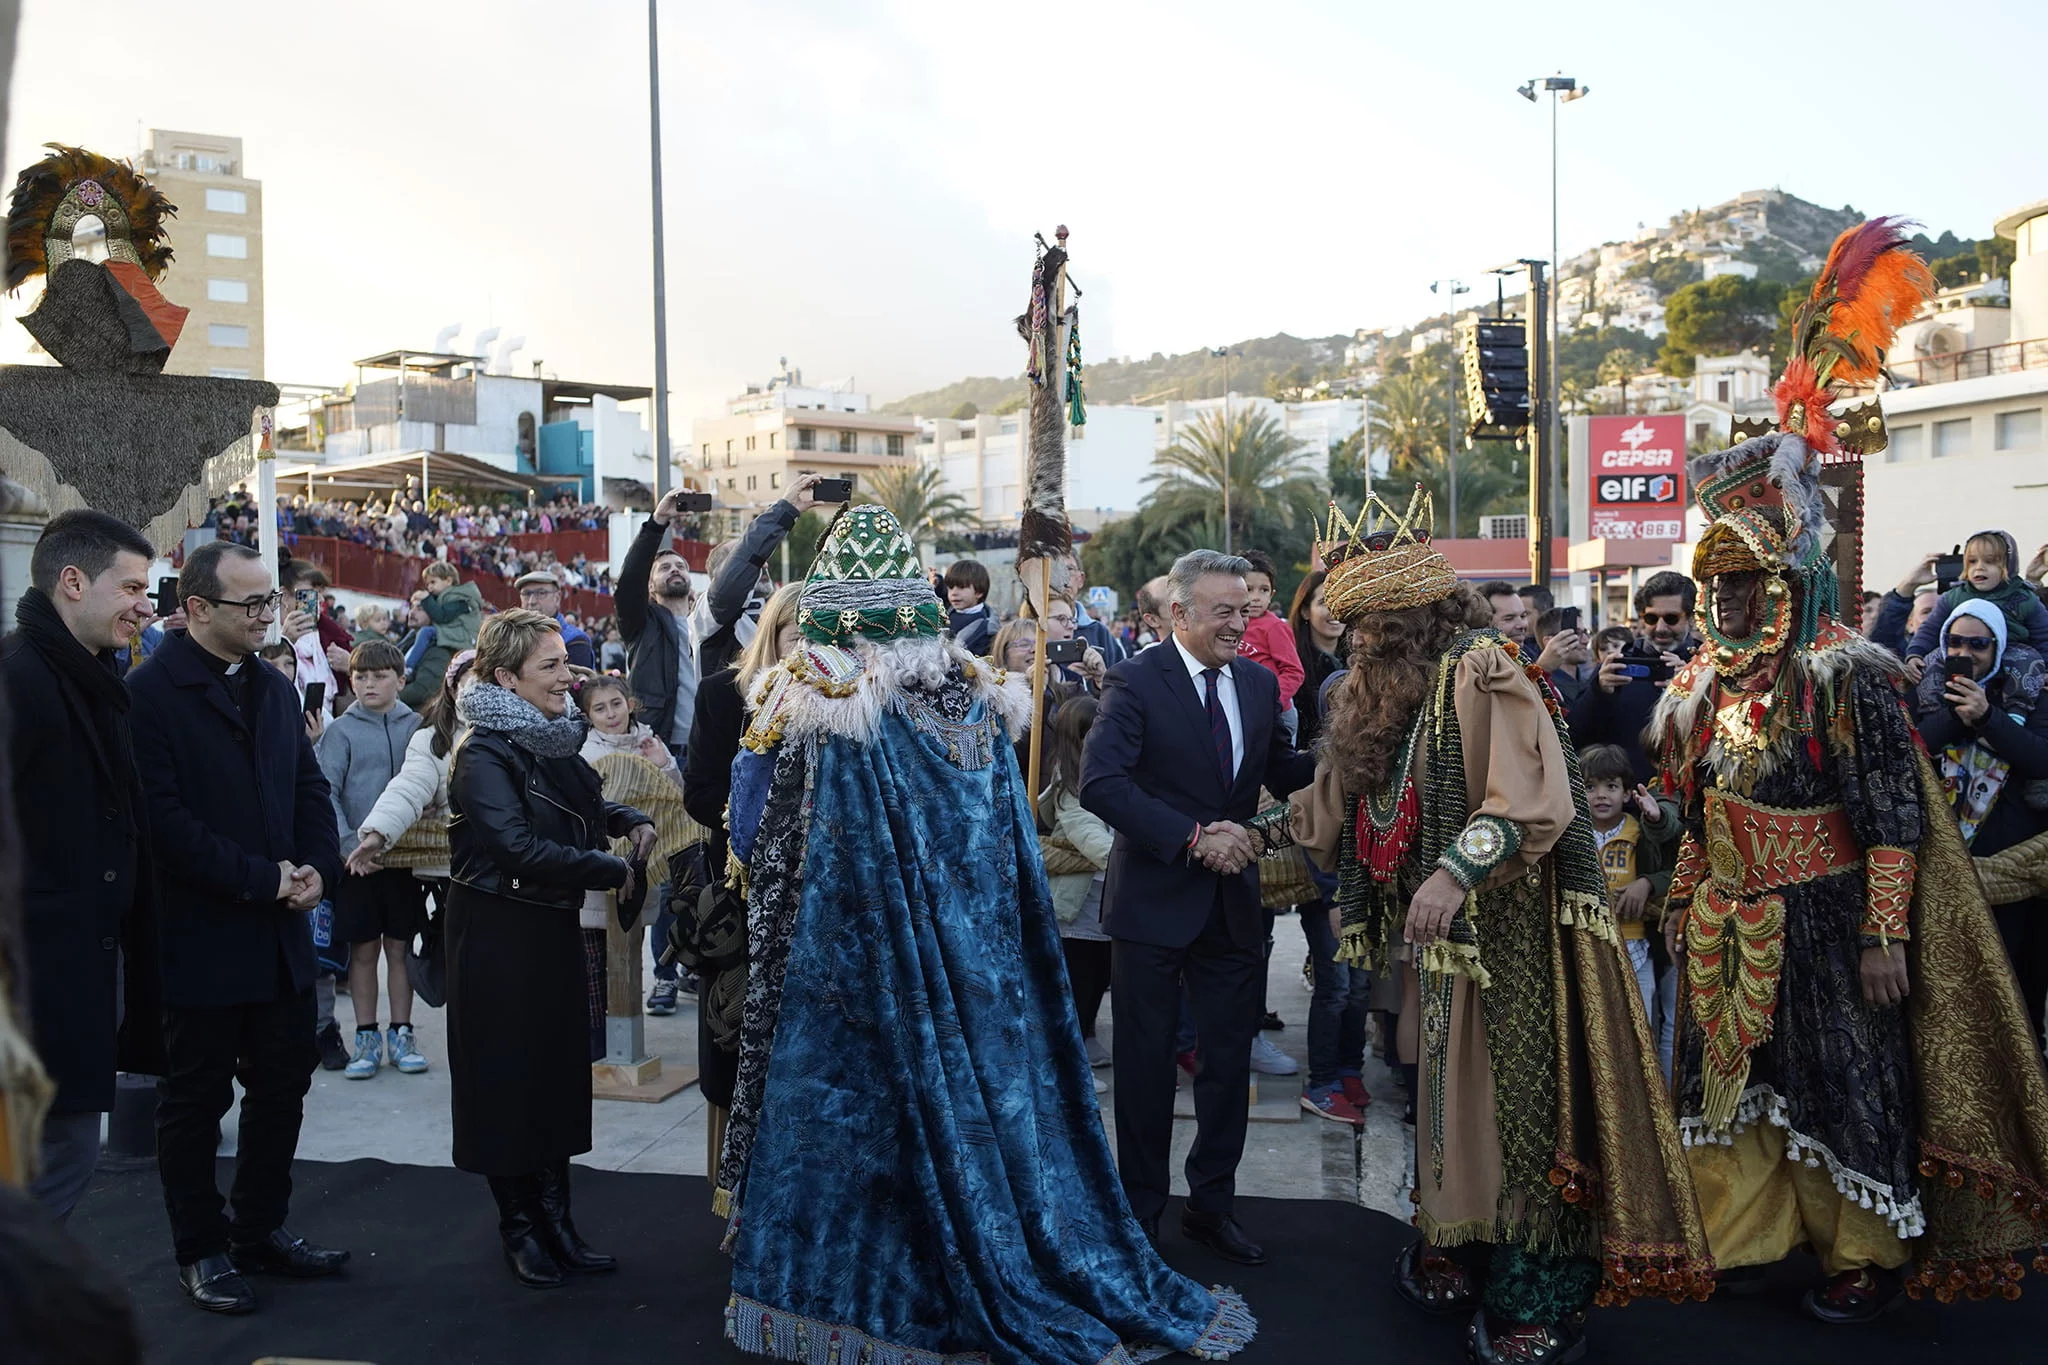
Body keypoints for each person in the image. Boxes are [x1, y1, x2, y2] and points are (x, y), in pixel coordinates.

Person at [717, 506, 1252, 1363]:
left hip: (872, 974)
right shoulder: (971, 698)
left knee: (882, 1130)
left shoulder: (837, 706)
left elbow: (779, 848)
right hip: (988, 975)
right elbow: (1006, 853)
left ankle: (885, 1283)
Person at [1250, 488, 1711, 1362]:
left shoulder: (1481, 666)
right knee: (1443, 1094)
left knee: (1522, 1102)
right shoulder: (1381, 697)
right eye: (1350, 628)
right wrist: (1250, 832)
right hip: (1444, 946)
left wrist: (1454, 870)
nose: (1357, 642)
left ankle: (1539, 1280)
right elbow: (1334, 803)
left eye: (1374, 624)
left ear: (1418, 613)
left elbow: (1529, 797)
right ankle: (1460, 1234)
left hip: (1521, 934)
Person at [1651, 423, 2048, 1322]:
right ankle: (1745, 1234)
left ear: (1782, 584)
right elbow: (1699, 807)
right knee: (1734, 1081)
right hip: (1728, 915)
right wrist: (1684, 894)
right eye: (1716, 585)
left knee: (1843, 1085)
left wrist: (1883, 932)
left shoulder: (1844, 677)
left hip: (1830, 920)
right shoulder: (1701, 688)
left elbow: (1890, 816)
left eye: (1744, 582)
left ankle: (1861, 1253)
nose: (1727, 600)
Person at [126, 540, 349, 1314]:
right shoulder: (149, 694)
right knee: (196, 1099)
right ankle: (201, 1246)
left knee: (284, 1081)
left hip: (283, 929)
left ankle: (259, 1226)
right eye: (250, 604)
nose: (268, 616)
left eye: (271, 602)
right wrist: (264, 879)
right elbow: (162, 822)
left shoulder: (273, 687)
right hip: (202, 935)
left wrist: (320, 864)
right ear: (194, 609)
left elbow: (306, 788)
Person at [1079, 548, 1315, 1266]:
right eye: (1224, 611)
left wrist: (1352, 759)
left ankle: (1212, 1207)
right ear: (1179, 613)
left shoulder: (1254, 684)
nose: (1240, 623)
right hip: (1153, 905)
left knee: (1225, 1070)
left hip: (1233, 909)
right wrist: (1191, 837)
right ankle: (1140, 1218)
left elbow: (1282, 770)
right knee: (1147, 1072)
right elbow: (1102, 784)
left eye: (1246, 609)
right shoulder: (1135, 680)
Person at [446, 610, 657, 1289]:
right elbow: (514, 845)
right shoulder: (482, 752)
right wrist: (608, 868)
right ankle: (520, 1227)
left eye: (566, 662)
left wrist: (630, 820)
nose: (569, 676)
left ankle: (558, 1221)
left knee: (556, 1076)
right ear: (506, 676)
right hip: (498, 931)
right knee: (507, 1081)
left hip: (547, 924)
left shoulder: (554, 739)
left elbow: (582, 809)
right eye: (551, 666)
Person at [4, 511, 164, 1221]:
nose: (145, 604)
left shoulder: (93, 679)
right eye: (131, 585)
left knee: (63, 1163)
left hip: (71, 984)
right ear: (73, 582)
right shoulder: (19, 678)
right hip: (28, 997)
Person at [681, 581, 802, 1132]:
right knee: (736, 1035)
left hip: (818, 898)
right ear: (773, 634)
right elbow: (699, 792)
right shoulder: (721, 694)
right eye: (800, 634)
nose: (811, 650)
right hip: (741, 894)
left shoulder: (853, 702)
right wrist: (763, 816)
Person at [1910, 600, 2048, 1044]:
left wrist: (1989, 716)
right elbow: (1908, 751)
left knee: (2019, 998)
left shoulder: (2031, 690)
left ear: (1999, 647)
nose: (1966, 651)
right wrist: (1955, 715)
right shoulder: (1926, 688)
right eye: (1954, 641)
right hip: (1946, 868)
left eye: (1979, 644)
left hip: (2014, 874)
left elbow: (2040, 759)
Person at [318, 639, 428, 1080]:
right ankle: (366, 1035)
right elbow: (326, 794)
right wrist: (349, 847)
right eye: (361, 676)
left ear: (401, 680)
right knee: (363, 951)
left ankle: (402, 1032)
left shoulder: (418, 727)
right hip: (357, 864)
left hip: (404, 861)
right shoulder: (340, 731)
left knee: (399, 949)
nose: (369, 683)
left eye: (380, 676)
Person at [575, 672, 690, 1050]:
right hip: (597, 869)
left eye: (616, 704)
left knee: (629, 949)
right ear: (587, 715)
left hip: (644, 864)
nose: (610, 714)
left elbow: (678, 800)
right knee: (594, 959)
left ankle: (626, 1037)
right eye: (599, 708)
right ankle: (595, 1040)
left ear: (630, 704)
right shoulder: (583, 751)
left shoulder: (650, 742)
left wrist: (662, 765)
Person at [1579, 743, 1680, 1035]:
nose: (1600, 795)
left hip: (1635, 942)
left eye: (1610, 786)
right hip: (1589, 942)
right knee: (1597, 1024)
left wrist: (1646, 884)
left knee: (1641, 1022)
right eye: (1590, 787)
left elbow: (1672, 867)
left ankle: (1645, 1080)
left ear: (1626, 794)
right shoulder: (1575, 836)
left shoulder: (1639, 832)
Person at [1039, 695, 1115, 1079]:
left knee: (1097, 982)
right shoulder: (1070, 786)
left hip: (1107, 903)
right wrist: (1132, 861)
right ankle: (1070, 1072)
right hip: (1081, 909)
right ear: (1080, 738)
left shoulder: (1111, 769)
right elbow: (1090, 837)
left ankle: (1081, 1050)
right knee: (1078, 988)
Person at [1567, 571, 1698, 783]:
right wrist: (1599, 693)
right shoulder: (1618, 665)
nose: (1661, 628)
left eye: (1671, 619)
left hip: (1690, 798)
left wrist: (1694, 687)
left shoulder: (1707, 665)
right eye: (1651, 618)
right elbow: (1574, 739)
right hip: (1627, 802)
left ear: (1691, 619)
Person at [692, 473, 823, 677]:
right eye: (745, 562)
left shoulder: (783, 611)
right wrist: (785, 509)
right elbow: (734, 580)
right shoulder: (708, 618)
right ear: (718, 576)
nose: (762, 564)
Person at [617, 493, 704, 756]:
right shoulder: (643, 625)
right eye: (664, 568)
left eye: (680, 566)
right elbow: (630, 580)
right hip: (661, 747)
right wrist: (658, 522)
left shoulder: (707, 623)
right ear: (650, 586)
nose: (675, 569)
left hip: (708, 748)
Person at [1904, 530, 2048, 661]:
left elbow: (2044, 638)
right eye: (1972, 561)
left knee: (2028, 660)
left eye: (1990, 561)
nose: (1979, 567)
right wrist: (1915, 654)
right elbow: (1930, 630)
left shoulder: (2024, 598)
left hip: (2011, 662)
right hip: (1965, 658)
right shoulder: (1954, 597)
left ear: (2009, 565)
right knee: (1934, 660)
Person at [1236, 548, 1306, 724]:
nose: (1256, 597)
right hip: (1243, 709)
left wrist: (1271, 702)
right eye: (1248, 589)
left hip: (1276, 715)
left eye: (1264, 590)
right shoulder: (1229, 624)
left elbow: (1294, 671)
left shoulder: (1274, 627)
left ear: (1272, 594)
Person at [516, 571, 596, 669]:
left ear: (557, 598)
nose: (531, 601)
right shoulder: (512, 637)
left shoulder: (576, 641)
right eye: (526, 594)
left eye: (541, 593)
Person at [1531, 607, 1595, 709]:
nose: (1585, 640)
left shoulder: (1589, 681)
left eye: (1585, 632)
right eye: (1576, 633)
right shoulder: (1544, 687)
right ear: (1549, 642)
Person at [943, 558, 996, 655]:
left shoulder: (986, 629)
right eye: (950, 588)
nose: (954, 593)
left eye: (961, 587)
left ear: (979, 592)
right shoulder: (947, 612)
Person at [1476, 579, 1531, 648]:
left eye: (1523, 616)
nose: (1522, 625)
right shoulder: (1467, 657)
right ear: (1484, 623)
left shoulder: (1530, 654)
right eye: (1509, 619)